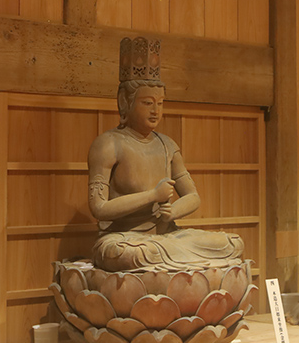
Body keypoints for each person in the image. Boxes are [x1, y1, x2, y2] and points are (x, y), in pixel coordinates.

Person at [88, 37, 243, 271]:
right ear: (124, 102)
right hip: (125, 238)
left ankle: (170, 263)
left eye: (160, 103)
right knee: (123, 253)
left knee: (231, 244)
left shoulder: (167, 145)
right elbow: (98, 208)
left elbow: (193, 197)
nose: (155, 110)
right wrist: (152, 195)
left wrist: (173, 213)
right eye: (147, 103)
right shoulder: (108, 144)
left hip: (166, 235)